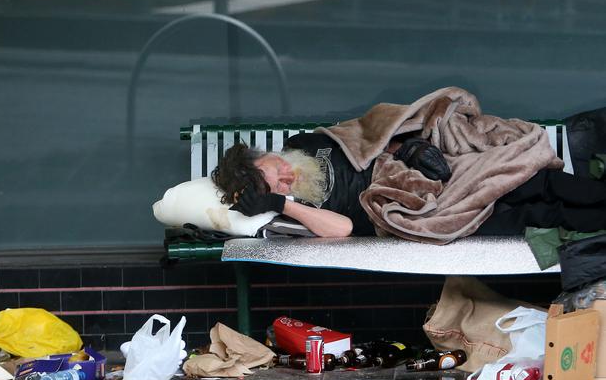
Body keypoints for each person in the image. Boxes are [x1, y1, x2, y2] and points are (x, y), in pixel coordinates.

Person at [211, 133, 606, 238]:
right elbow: (344, 229)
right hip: (414, 212)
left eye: (275, 168)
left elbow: (370, 137)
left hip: (431, 174)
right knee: (531, 214)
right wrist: (281, 204)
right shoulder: (294, 212)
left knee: (536, 180)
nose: (286, 176)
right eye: (276, 185)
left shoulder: (304, 144)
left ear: (264, 155)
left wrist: (411, 149)